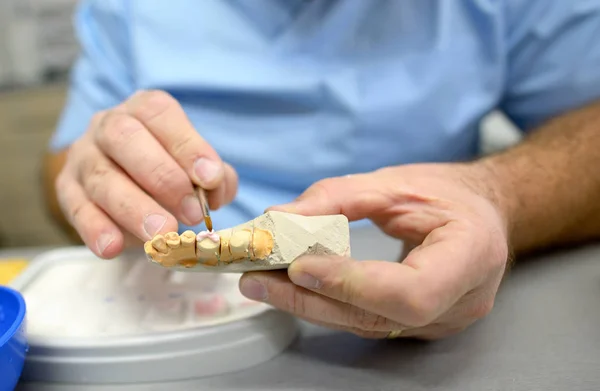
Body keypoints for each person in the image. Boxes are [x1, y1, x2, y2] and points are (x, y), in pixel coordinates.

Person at [43, 0, 600, 340]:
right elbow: (67, 163)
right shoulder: (129, 10)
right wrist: (92, 178)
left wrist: (501, 195)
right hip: (167, 319)